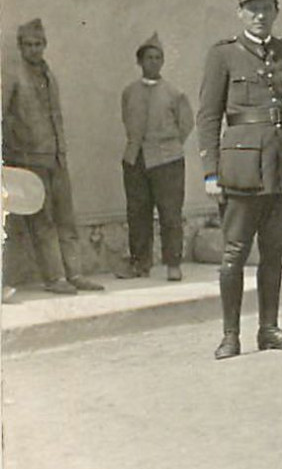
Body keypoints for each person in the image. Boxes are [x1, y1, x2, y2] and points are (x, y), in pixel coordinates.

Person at [196, 0, 282, 358]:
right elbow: (208, 116)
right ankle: (230, 335)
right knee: (234, 253)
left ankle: (268, 329)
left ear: (277, 10)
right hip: (241, 170)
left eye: (267, 8)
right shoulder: (224, 56)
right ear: (240, 14)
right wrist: (210, 172)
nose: (260, 16)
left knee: (274, 253)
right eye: (253, 10)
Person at [2, 18, 105, 294]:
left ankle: (75, 273)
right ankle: (55, 277)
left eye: (38, 44)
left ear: (45, 45)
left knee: (65, 218)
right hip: (28, 160)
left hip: (57, 158)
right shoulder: (12, 77)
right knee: (42, 222)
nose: (34, 50)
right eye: (28, 45)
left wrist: (61, 151)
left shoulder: (49, 75)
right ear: (20, 47)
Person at [117, 32, 194, 281]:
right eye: (149, 57)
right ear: (139, 62)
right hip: (135, 159)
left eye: (158, 57)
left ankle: (173, 263)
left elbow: (186, 124)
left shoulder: (174, 93)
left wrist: (168, 146)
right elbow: (127, 120)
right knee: (137, 212)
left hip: (167, 160)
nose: (154, 62)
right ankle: (140, 263)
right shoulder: (129, 92)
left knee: (170, 213)